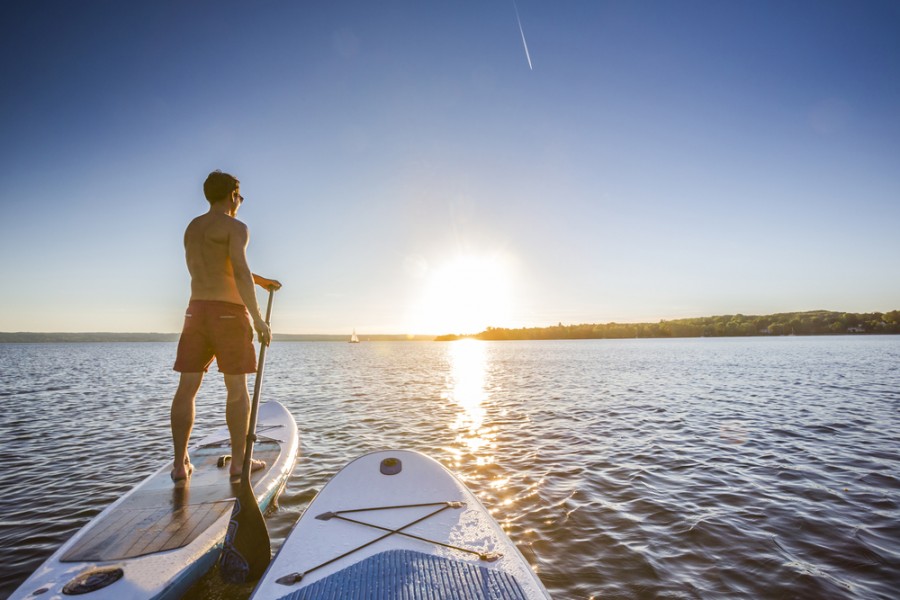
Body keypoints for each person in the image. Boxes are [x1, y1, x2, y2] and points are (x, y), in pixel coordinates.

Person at [170, 170, 281, 483]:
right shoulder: (236, 227)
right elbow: (240, 271)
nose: (241, 202)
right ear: (233, 194)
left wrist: (263, 281)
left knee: (186, 390)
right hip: (229, 315)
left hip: (196, 312)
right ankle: (239, 463)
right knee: (236, 391)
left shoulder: (193, 228)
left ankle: (179, 465)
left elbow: (218, 266)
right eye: (240, 196)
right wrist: (258, 319)